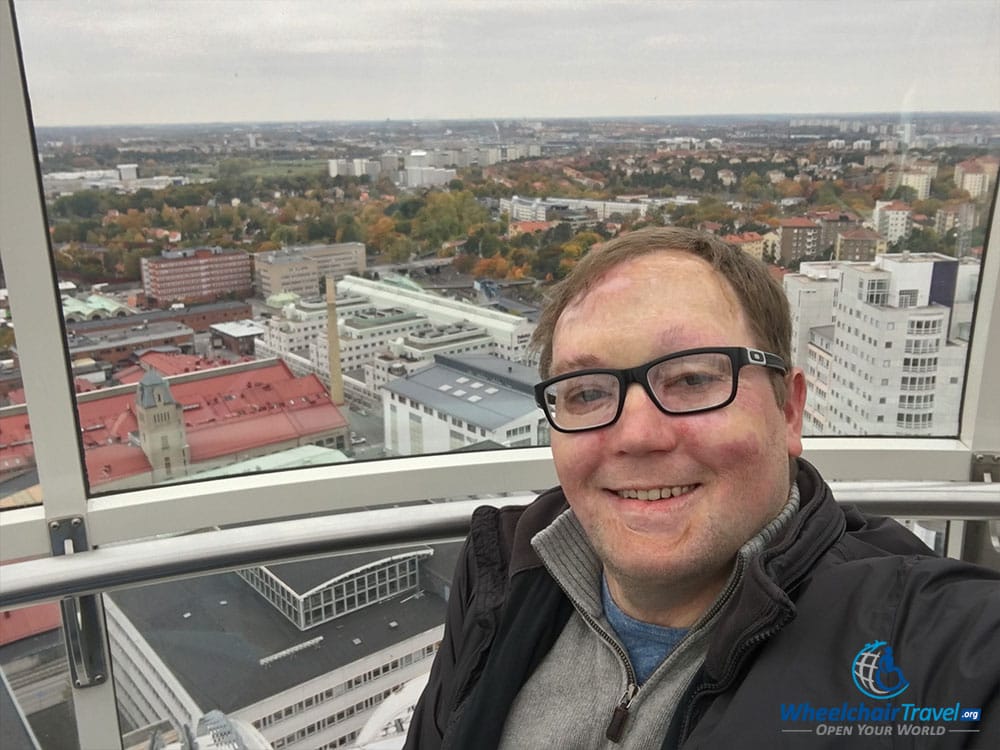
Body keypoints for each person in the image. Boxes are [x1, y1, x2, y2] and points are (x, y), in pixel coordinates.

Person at [404, 227, 999, 749]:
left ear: (788, 411)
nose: (635, 435)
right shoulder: (503, 574)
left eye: (692, 378)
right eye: (586, 392)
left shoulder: (932, 644)